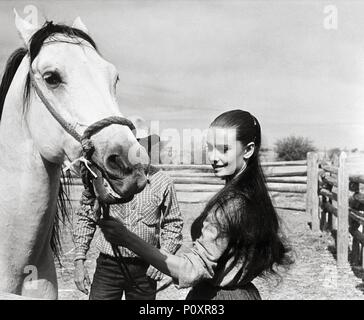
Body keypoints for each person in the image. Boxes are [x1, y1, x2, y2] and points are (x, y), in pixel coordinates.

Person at [99, 109, 293, 300]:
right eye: (210, 148)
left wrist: (127, 238)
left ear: (248, 150)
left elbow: (191, 270)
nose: (214, 157)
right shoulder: (253, 196)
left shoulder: (231, 205)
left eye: (224, 149)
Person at [73, 117, 183, 300]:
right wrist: (79, 260)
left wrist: (162, 257)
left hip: (145, 267)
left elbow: (173, 223)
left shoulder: (163, 181)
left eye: (140, 145)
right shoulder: (102, 179)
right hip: (108, 266)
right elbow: (86, 216)